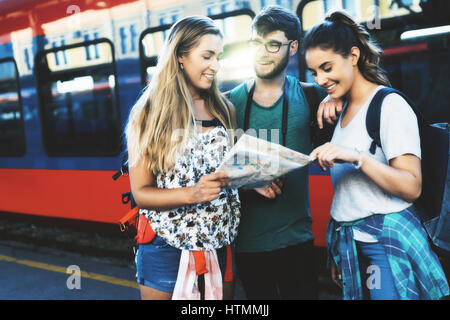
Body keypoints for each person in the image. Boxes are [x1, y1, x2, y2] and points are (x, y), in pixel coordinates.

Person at [304, 11, 450, 300]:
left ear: (354, 55)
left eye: (327, 67)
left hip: (384, 246)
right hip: (351, 243)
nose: (320, 78)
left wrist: (357, 157)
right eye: (314, 72)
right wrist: (340, 252)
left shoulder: (390, 106)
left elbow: (411, 186)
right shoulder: (341, 108)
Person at [227, 5, 343, 300]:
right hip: (247, 246)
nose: (262, 53)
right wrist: (248, 181)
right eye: (256, 44)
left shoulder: (312, 95)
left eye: (273, 45)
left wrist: (336, 96)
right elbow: (207, 175)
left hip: (298, 242)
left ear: (292, 48)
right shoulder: (227, 105)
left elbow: (372, 94)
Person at [125, 16, 240, 300]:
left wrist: (250, 180)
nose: (215, 65)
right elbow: (141, 193)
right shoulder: (148, 114)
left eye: (218, 57)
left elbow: (227, 171)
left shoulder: (224, 108)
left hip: (218, 242)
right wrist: (193, 193)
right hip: (165, 247)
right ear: (180, 56)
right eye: (207, 56)